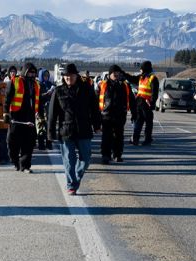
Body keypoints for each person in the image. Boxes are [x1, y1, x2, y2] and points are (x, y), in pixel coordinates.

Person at [48, 63, 101, 195]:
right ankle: (71, 185)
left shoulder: (87, 89)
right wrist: (50, 132)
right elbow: (52, 114)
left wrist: (97, 125)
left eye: (71, 75)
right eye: (66, 76)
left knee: (86, 159)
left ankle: (76, 178)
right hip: (66, 130)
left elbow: (94, 109)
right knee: (69, 161)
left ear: (76, 75)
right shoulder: (58, 91)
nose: (68, 78)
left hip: (84, 129)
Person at [3, 62, 42, 173]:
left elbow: (39, 101)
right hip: (16, 116)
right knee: (12, 142)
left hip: (30, 116)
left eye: (34, 73)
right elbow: (7, 100)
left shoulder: (36, 85)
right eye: (30, 73)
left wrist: (41, 116)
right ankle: (15, 160)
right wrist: (6, 114)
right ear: (25, 72)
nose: (32, 75)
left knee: (29, 142)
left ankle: (25, 165)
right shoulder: (14, 82)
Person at [99, 65, 136, 164]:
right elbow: (95, 100)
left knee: (119, 136)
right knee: (106, 136)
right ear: (110, 74)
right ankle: (105, 155)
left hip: (120, 115)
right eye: (114, 72)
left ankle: (117, 155)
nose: (116, 74)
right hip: (106, 115)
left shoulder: (125, 85)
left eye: (118, 73)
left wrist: (134, 113)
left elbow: (131, 100)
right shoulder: (103, 85)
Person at [123, 61, 159, 146]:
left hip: (146, 103)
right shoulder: (141, 77)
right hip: (140, 102)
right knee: (140, 121)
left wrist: (152, 102)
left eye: (141, 69)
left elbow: (155, 92)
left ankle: (145, 139)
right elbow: (131, 78)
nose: (140, 71)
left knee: (146, 122)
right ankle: (137, 139)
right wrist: (124, 74)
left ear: (144, 69)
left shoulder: (152, 78)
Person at [37, 68, 54, 150]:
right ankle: (41, 144)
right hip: (40, 109)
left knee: (49, 126)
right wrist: (46, 94)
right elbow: (38, 97)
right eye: (44, 76)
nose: (46, 77)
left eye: (47, 75)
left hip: (49, 109)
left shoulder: (51, 84)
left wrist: (52, 92)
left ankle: (49, 143)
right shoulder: (38, 85)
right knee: (41, 127)